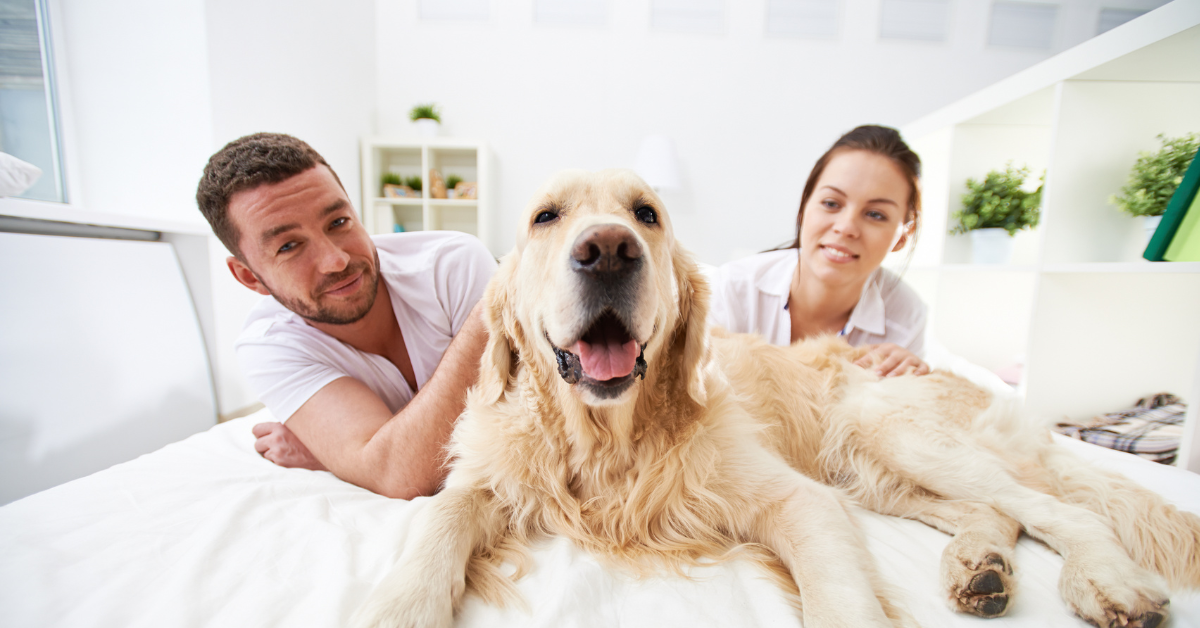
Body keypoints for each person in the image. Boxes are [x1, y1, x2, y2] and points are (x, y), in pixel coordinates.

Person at [196, 133, 497, 499]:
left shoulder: (451, 266)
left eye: (338, 222)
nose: (336, 260)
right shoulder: (269, 345)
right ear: (248, 276)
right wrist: (359, 459)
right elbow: (400, 475)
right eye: (289, 246)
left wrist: (340, 455)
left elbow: (523, 421)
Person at [710, 125, 930, 377]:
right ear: (804, 207)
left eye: (875, 215)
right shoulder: (732, 290)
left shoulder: (905, 318)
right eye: (831, 203)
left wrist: (911, 384)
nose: (846, 227)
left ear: (902, 236)